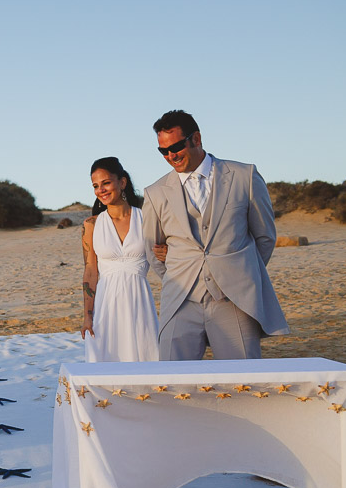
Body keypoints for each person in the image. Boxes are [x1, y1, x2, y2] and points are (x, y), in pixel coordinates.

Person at [143, 110, 289, 360]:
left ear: (196, 138)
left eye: (176, 146)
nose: (170, 156)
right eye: (163, 151)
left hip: (234, 300)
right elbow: (152, 248)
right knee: (171, 385)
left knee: (242, 383)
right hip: (180, 301)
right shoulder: (155, 192)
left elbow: (265, 236)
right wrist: (181, 272)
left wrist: (238, 272)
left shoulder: (244, 176)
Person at [80, 158, 158, 362]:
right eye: (95, 186)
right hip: (105, 304)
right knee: (105, 363)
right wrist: (88, 316)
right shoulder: (91, 225)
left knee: (145, 361)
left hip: (139, 301)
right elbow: (90, 271)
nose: (100, 190)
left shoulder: (147, 219)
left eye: (106, 183)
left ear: (122, 182)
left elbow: (164, 253)